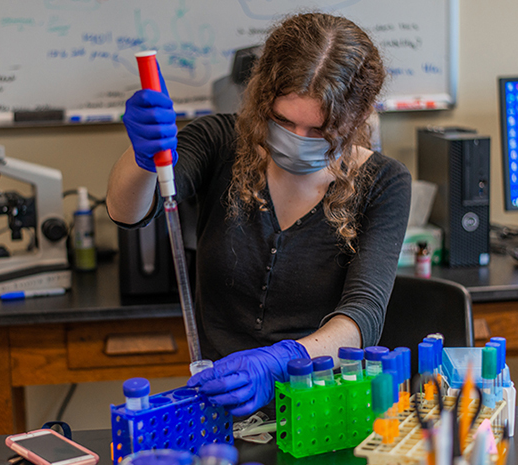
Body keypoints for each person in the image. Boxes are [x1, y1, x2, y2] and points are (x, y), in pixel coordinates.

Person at [107, 12, 411, 417]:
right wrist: (143, 157)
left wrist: (280, 362)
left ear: (359, 115)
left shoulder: (384, 182)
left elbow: (363, 316)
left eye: (320, 130)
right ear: (262, 96)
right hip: (220, 407)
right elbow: (129, 213)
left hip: (322, 415)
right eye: (284, 122)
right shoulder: (217, 142)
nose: (297, 140)